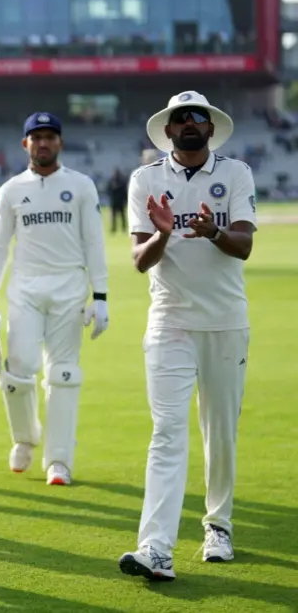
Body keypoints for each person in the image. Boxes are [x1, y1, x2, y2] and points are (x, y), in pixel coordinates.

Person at [119, 91, 256, 582]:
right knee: (167, 432)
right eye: (181, 119)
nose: (190, 124)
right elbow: (140, 261)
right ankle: (156, 547)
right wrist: (162, 233)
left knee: (220, 432)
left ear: (211, 127)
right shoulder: (145, 179)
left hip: (225, 321)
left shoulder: (235, 173)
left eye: (198, 117)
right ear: (168, 130)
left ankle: (218, 526)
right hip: (170, 321)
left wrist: (212, 232)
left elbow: (244, 244)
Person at [0, 112, 108, 486]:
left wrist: (100, 295)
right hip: (26, 290)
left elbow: (94, 241)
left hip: (69, 289)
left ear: (60, 142)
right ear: (25, 144)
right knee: (18, 368)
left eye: (50, 137)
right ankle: (25, 437)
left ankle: (59, 461)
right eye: (36, 137)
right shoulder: (11, 190)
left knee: (64, 374)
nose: (43, 143)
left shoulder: (80, 186)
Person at [107, 168, 129, 234]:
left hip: (119, 201)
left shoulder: (121, 182)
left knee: (122, 216)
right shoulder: (112, 181)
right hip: (114, 202)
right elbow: (108, 190)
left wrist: (125, 200)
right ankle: (114, 228)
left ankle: (122, 228)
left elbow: (124, 192)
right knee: (115, 216)